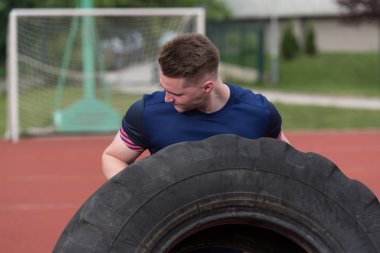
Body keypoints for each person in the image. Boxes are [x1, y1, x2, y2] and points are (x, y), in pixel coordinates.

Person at [102, 33, 289, 180]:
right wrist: (140, 194)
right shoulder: (146, 113)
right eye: (164, 88)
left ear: (207, 87)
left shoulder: (259, 113)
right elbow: (113, 157)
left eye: (177, 94)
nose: (167, 99)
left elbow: (289, 164)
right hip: (175, 221)